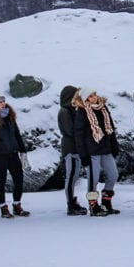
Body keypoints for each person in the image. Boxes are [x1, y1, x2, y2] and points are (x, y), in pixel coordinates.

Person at [0, 91, 30, 218]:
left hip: (13, 153)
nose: (3, 104)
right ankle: (3, 207)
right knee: (1, 180)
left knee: (19, 178)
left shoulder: (9, 116)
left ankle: (17, 205)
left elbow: (17, 134)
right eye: (0, 102)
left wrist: (23, 150)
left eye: (3, 101)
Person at [74, 86, 121, 216]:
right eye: (90, 96)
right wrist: (83, 155)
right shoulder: (82, 112)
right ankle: (93, 206)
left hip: (105, 149)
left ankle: (106, 203)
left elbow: (110, 128)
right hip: (92, 151)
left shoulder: (103, 108)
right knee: (93, 180)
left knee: (113, 175)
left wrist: (114, 145)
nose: (94, 98)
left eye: (94, 94)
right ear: (85, 98)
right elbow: (79, 135)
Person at [58, 85, 88, 215]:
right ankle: (71, 204)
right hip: (71, 147)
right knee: (71, 177)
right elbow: (70, 131)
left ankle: (72, 202)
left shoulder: (72, 110)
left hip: (75, 147)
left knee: (73, 176)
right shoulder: (65, 111)